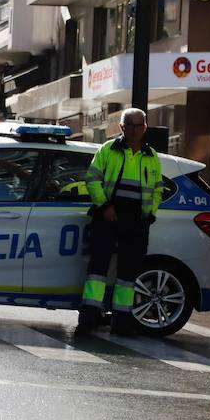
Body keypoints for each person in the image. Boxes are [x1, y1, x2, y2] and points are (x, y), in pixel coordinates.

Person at [76, 108, 163, 336]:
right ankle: (88, 319)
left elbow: (157, 188)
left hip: (137, 220)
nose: (135, 130)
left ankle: (121, 322)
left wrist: (150, 213)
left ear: (145, 127)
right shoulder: (108, 150)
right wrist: (105, 207)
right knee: (98, 270)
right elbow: (92, 179)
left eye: (139, 125)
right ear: (122, 127)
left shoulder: (151, 155)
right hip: (108, 216)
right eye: (130, 125)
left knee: (128, 275)